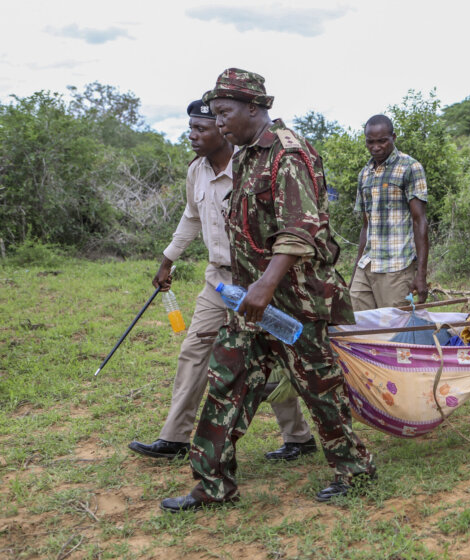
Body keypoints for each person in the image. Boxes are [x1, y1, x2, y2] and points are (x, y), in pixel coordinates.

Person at [160, 69, 375, 512]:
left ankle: (354, 469)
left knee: (320, 389)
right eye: (215, 114)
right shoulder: (244, 158)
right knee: (226, 381)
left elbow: (300, 230)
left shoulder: (288, 155)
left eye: (224, 113)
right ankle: (212, 485)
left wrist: (263, 286)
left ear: (253, 109)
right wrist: (247, 290)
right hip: (251, 302)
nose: (219, 123)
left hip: (296, 302)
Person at [128, 100, 315, 463]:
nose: (192, 136)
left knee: (274, 357)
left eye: (201, 129)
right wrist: (167, 261)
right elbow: (190, 216)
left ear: (221, 128)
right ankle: (175, 437)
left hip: (260, 280)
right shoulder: (196, 171)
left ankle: (298, 438)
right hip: (217, 281)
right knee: (194, 351)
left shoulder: (253, 166)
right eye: (191, 129)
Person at [351, 114, 429, 310]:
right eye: (370, 142)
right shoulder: (365, 173)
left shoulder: (410, 167)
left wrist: (421, 274)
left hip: (397, 266)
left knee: (394, 329)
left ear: (393, 138)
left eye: (382, 141)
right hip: (368, 264)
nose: (376, 147)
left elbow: (420, 221)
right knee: (356, 323)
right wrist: (355, 270)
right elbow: (366, 225)